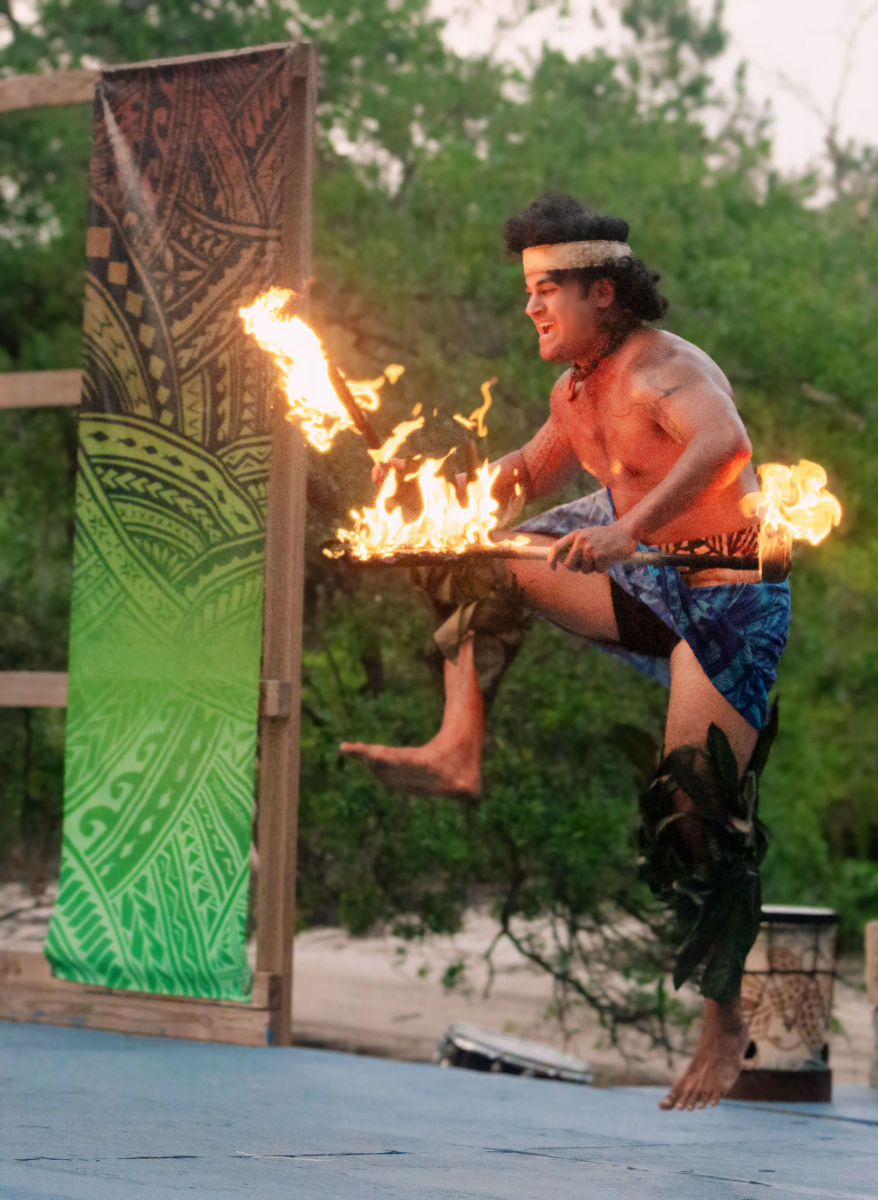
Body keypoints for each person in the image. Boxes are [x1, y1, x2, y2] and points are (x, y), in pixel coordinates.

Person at [340, 192, 791, 1110]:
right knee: (471, 552)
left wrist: (628, 532)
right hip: (633, 557)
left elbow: (725, 443)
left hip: (726, 583)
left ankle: (724, 1020)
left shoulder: (664, 370)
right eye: (528, 291)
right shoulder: (573, 389)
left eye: (549, 290)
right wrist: (433, 492)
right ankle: (457, 747)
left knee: (693, 811)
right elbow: (523, 472)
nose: (533, 308)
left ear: (604, 292)